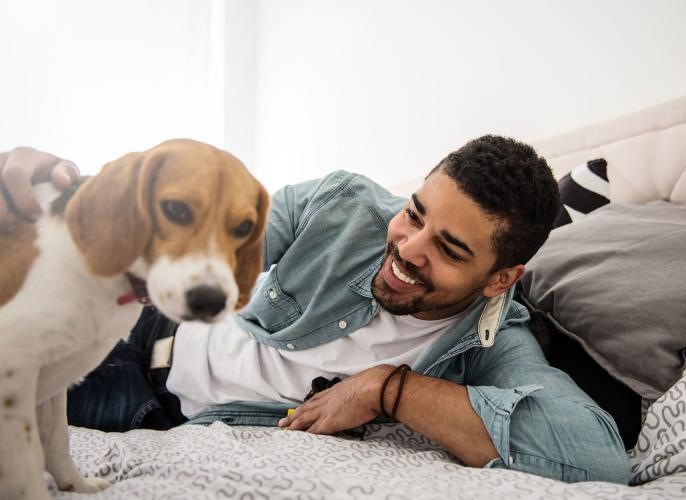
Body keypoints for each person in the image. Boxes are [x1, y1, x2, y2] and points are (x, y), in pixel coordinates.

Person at [0, 136, 629, 483]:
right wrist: (61, 187)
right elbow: (211, 229)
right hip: (141, 320)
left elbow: (597, 454)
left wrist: (391, 390)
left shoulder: (495, 344)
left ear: (501, 278)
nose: (407, 249)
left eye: (448, 248)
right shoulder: (340, 205)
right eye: (414, 213)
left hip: (150, 407)